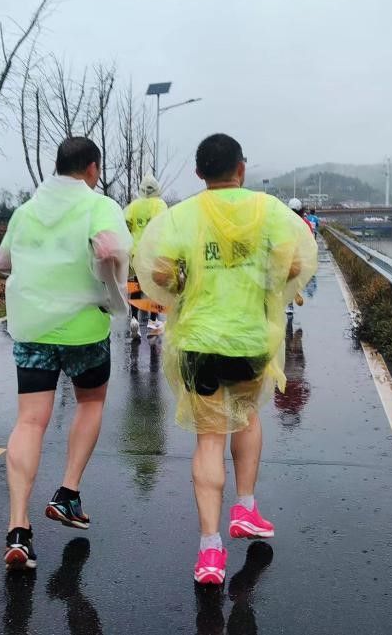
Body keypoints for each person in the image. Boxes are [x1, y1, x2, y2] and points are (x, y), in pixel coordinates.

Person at [136, 133, 317, 585]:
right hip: (250, 340)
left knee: (209, 439)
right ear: (241, 168)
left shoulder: (183, 215)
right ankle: (246, 507)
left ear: (199, 173)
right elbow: (296, 264)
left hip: (199, 342)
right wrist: (260, 275)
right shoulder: (268, 210)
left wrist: (185, 282)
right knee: (247, 417)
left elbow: (158, 272)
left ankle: (210, 551)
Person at [0, 137, 132, 571]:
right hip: (84, 331)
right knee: (90, 402)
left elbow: (2, 262)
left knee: (29, 421)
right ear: (92, 168)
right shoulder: (99, 206)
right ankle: (68, 492)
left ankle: (19, 529)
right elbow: (115, 252)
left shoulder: (26, 211)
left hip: (32, 329)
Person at [123, 174, 168, 339]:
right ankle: (153, 321)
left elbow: (125, 224)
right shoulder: (160, 205)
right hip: (153, 253)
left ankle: (134, 319)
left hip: (136, 253)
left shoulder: (134, 206)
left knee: (135, 287)